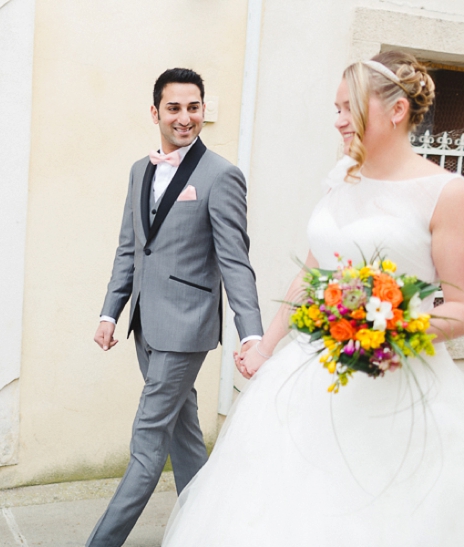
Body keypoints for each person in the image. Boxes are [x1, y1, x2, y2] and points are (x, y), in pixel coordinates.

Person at [162, 51, 464, 546]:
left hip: (395, 386)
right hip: (308, 374)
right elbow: (312, 271)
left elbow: (458, 305)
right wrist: (266, 344)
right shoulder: (342, 176)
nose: (338, 120)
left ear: (396, 110)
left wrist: (395, 330)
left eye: (349, 107)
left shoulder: (446, 193)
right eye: (337, 108)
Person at [87, 68, 264, 547]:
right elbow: (131, 248)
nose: (185, 118)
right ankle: (208, 533)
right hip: (145, 326)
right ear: (156, 112)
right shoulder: (138, 170)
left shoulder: (221, 175)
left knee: (147, 450)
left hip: (186, 331)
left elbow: (235, 260)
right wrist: (111, 312)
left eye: (194, 107)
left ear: (203, 110)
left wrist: (252, 334)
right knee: (185, 440)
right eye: (174, 108)